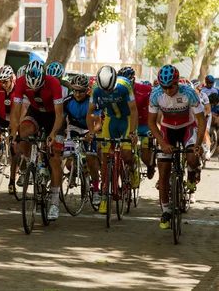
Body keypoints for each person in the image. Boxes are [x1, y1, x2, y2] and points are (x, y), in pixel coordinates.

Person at [148, 65, 205, 229]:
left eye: (170, 87)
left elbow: (201, 120)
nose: (167, 91)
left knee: (192, 158)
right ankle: (166, 210)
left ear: (176, 83)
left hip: (187, 128)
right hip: (167, 130)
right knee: (164, 171)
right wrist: (163, 143)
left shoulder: (189, 92)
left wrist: (198, 144)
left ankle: (193, 172)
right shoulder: (156, 94)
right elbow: (152, 122)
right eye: (164, 87)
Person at [10, 60, 65, 221]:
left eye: (37, 87)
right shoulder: (20, 82)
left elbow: (60, 114)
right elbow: (15, 111)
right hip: (36, 113)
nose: (34, 90)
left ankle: (54, 202)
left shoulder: (53, 83)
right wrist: (14, 133)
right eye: (31, 87)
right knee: (22, 133)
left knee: (55, 157)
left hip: (54, 117)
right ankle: (29, 162)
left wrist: (53, 134)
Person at [86, 66, 138, 215]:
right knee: (105, 156)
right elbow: (90, 112)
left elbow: (134, 110)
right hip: (111, 119)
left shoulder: (125, 84)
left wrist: (133, 132)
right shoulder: (96, 87)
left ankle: (132, 169)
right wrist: (90, 132)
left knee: (127, 154)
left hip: (126, 119)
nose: (107, 92)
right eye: (105, 90)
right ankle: (104, 196)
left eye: (109, 89)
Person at [63, 74, 102, 206]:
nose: (77, 94)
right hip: (73, 128)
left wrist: (92, 133)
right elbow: (61, 120)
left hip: (88, 129)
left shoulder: (92, 101)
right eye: (74, 90)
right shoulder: (67, 101)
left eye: (81, 91)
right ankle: (78, 173)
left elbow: (98, 123)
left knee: (91, 161)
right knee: (69, 163)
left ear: (87, 90)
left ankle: (96, 191)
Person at [118, 66, 151, 183]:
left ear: (134, 79)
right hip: (129, 123)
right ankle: (129, 172)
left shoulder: (145, 89)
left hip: (144, 124)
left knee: (146, 156)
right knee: (124, 154)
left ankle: (150, 165)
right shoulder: (118, 90)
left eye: (128, 81)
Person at [0, 65, 18, 194]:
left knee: (14, 148)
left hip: (14, 118)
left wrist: (13, 130)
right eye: (0, 81)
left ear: (12, 79)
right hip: (0, 116)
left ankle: (12, 180)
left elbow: (18, 112)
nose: (3, 84)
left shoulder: (18, 90)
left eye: (5, 81)